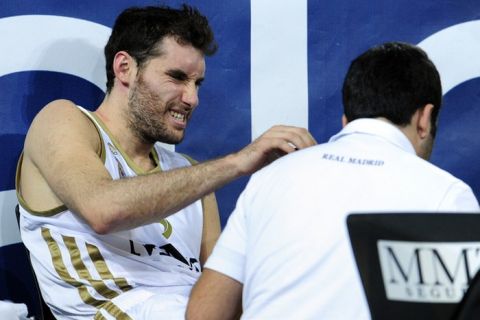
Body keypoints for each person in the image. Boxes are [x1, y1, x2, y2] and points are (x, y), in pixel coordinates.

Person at [16, 4, 316, 320]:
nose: (192, 98)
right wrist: (237, 163)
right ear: (124, 68)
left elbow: (219, 292)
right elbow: (102, 210)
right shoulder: (64, 119)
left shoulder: (190, 175)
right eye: (177, 77)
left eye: (197, 83)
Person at [186, 42, 480, 319]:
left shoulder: (273, 177)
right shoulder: (448, 195)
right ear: (425, 119)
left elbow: (204, 314)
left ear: (346, 119)